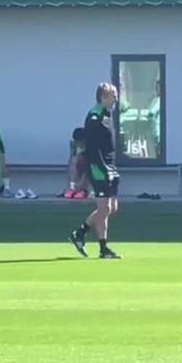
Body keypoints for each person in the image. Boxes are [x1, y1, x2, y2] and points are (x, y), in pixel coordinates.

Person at [68, 83, 121, 259]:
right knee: (104, 207)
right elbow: (91, 146)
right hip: (99, 166)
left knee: (111, 208)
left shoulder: (107, 113)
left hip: (110, 164)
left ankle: (80, 233)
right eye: (113, 95)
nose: (116, 99)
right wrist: (102, 166)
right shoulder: (94, 116)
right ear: (103, 97)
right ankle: (103, 249)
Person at [65, 127, 89, 199]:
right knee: (74, 161)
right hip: (81, 157)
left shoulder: (91, 143)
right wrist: (72, 184)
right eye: (77, 142)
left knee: (86, 164)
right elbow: (72, 159)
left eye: (80, 142)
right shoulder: (73, 142)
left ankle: (84, 189)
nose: (79, 144)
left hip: (91, 161)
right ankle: (72, 188)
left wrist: (81, 184)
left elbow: (89, 166)